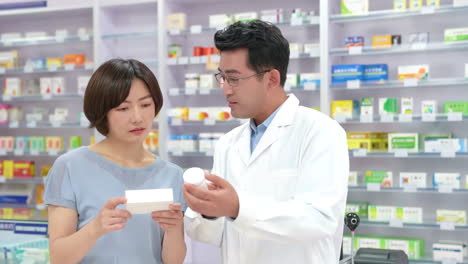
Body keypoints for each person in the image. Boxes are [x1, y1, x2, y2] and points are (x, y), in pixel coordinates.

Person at [183, 20, 349, 264]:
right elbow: (213, 235)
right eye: (222, 77)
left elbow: (320, 220)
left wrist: (238, 207)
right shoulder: (229, 143)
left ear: (271, 78)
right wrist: (208, 212)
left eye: (234, 78)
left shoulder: (320, 132)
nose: (225, 89)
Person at [44, 59, 186, 264]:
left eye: (145, 105)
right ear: (102, 112)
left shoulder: (171, 174)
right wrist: (95, 228)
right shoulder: (70, 167)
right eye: (123, 108)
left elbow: (174, 261)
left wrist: (173, 229)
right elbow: (59, 258)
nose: (137, 118)